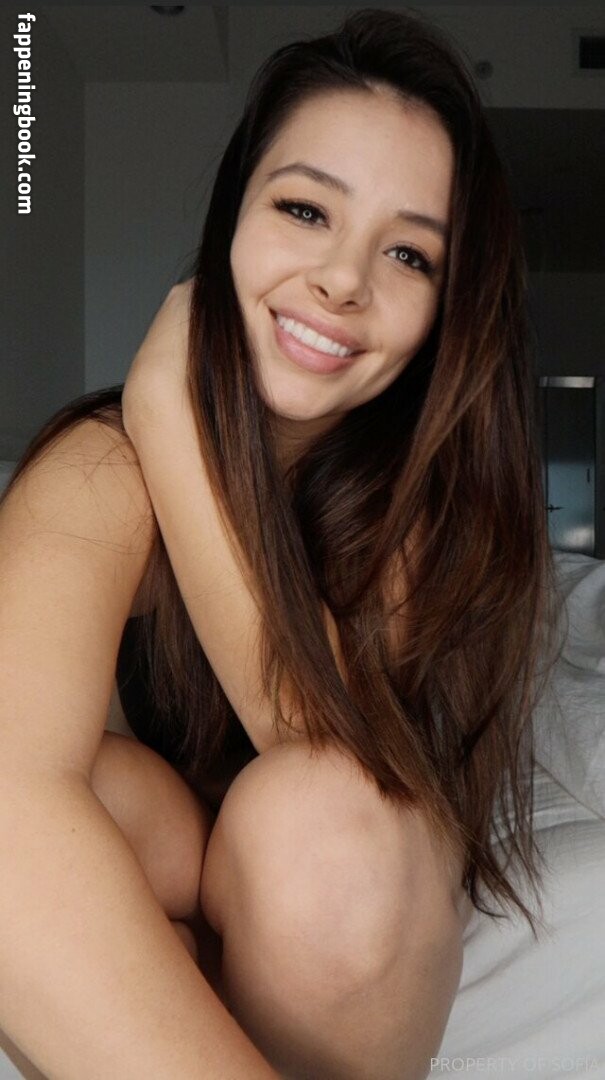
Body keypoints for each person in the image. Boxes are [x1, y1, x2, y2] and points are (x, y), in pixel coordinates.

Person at [0, 8, 561, 1079]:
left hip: (327, 912)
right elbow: (12, 787)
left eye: (408, 253)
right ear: (231, 221)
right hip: (162, 867)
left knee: (331, 825)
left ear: (444, 312)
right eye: (304, 209)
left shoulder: (428, 508)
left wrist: (176, 424)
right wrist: (143, 433)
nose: (343, 280)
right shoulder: (98, 467)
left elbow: (326, 762)